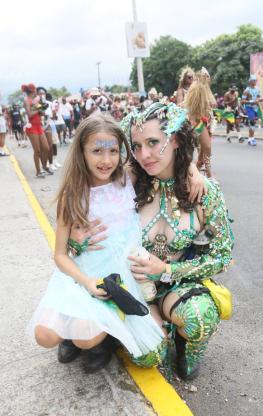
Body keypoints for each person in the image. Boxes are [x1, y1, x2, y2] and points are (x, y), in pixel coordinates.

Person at [69, 103, 233, 380]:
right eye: (137, 145)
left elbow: (222, 256)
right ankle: (121, 331)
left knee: (198, 316)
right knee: (148, 357)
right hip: (131, 287)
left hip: (177, 285)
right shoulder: (127, 183)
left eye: (154, 142)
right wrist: (77, 240)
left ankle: (185, 346)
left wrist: (167, 271)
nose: (144, 154)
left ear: (176, 139)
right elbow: (84, 199)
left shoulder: (205, 191)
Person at [28, 115, 167, 373]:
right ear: (81, 151)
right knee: (44, 336)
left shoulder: (128, 177)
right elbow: (60, 256)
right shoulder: (72, 195)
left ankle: (102, 339)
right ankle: (74, 332)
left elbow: (160, 155)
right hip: (83, 276)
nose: (106, 160)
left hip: (118, 275)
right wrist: (85, 275)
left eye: (113, 151)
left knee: (86, 337)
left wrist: (193, 170)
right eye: (96, 151)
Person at [21, 83, 53, 177]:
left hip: (39, 126)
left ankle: (44, 167)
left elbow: (41, 113)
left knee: (46, 148)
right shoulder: (26, 101)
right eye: (35, 90)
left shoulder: (35, 101)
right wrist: (38, 110)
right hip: (31, 127)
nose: (36, 91)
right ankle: (38, 171)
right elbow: (30, 114)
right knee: (37, 151)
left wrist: (43, 108)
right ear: (33, 91)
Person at [242, 75, 260, 146]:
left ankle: (250, 139)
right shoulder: (246, 91)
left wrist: (261, 102)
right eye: (254, 80)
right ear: (250, 81)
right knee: (252, 122)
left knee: (253, 123)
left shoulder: (257, 90)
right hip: (249, 108)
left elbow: (258, 98)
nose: (255, 81)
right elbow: (242, 101)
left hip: (255, 108)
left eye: (256, 80)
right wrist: (251, 101)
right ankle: (252, 139)